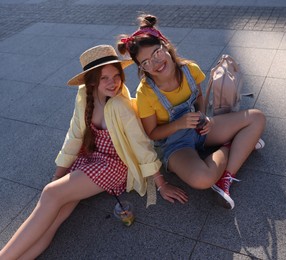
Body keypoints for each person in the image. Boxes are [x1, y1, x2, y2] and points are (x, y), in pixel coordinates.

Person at [0, 45, 187, 259]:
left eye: (116, 75)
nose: (113, 82)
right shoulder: (84, 96)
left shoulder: (120, 106)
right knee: (55, 217)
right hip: (88, 158)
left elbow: (141, 146)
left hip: (113, 165)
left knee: (51, 194)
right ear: (91, 81)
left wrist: (161, 184)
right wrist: (58, 175)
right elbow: (74, 135)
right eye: (104, 78)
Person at [117, 14, 266, 210]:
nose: (155, 63)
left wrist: (204, 117)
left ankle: (225, 178)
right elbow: (151, 134)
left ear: (165, 45)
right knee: (202, 180)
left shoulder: (190, 69)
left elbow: (199, 97)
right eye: (146, 62)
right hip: (176, 145)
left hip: (200, 129)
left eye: (156, 53)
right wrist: (179, 124)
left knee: (256, 118)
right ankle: (232, 145)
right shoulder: (145, 93)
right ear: (141, 68)